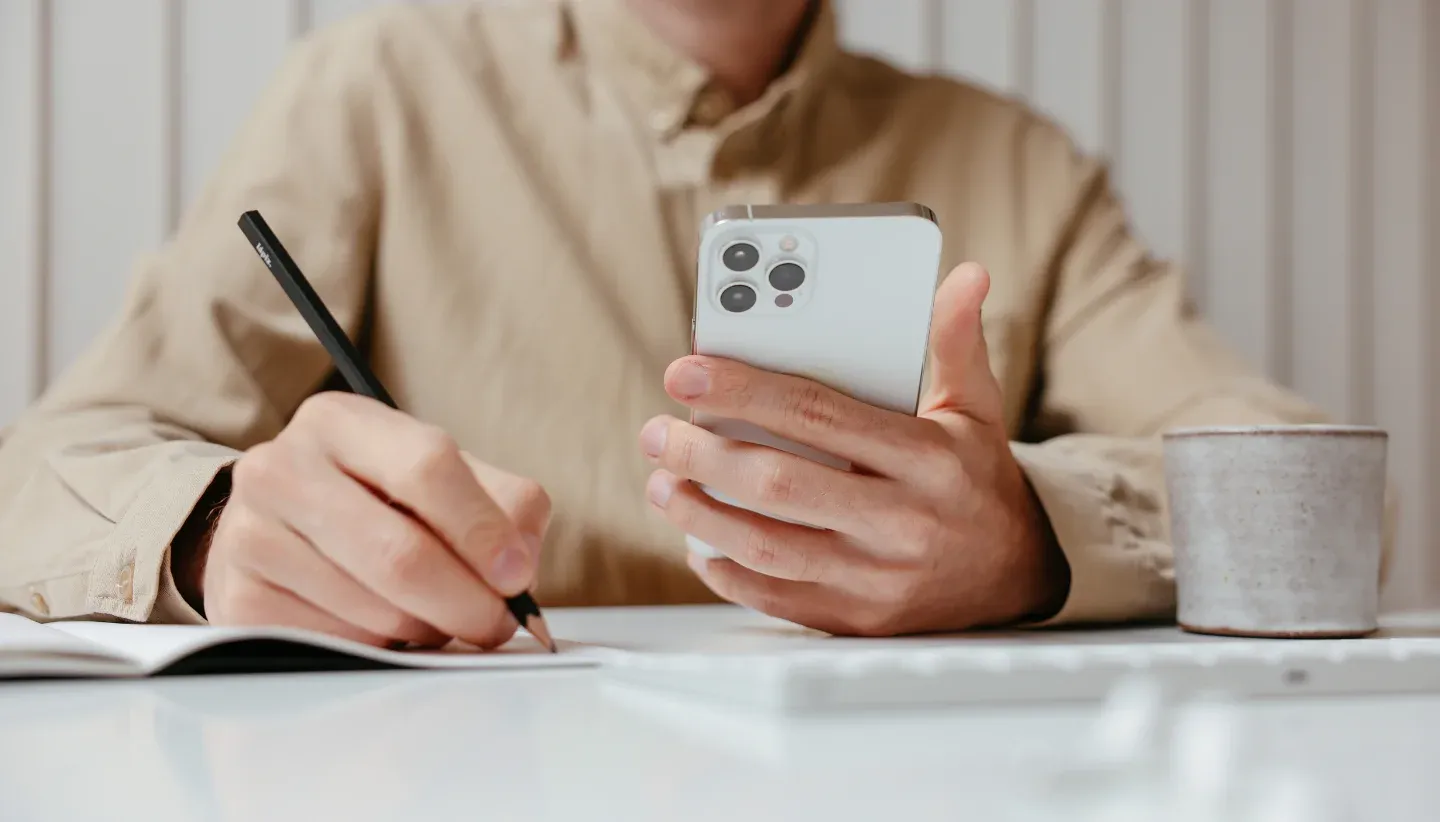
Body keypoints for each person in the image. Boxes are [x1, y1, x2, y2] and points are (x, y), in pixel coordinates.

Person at [0, 0, 1335, 648]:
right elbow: (49, 466)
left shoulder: (1020, 162)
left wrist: (1031, 540)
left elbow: (1307, 486)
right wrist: (215, 523)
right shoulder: (377, 90)